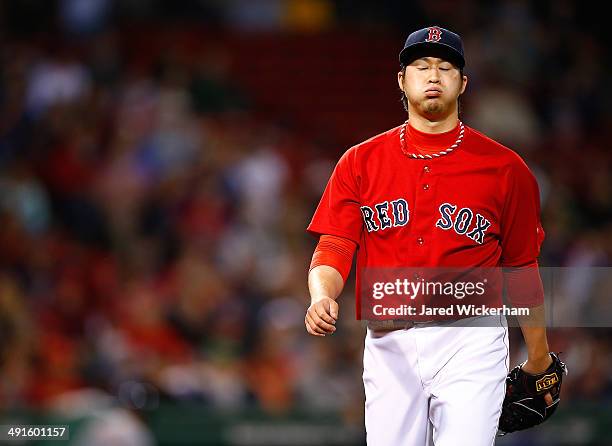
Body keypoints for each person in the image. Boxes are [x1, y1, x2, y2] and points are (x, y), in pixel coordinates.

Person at [305, 26, 555, 445]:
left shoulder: (506, 169)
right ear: (402, 80)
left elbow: (521, 267)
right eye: (421, 66)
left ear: (463, 83)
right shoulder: (360, 161)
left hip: (471, 339)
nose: (434, 75)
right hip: (389, 340)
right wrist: (322, 294)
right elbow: (335, 244)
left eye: (445, 67)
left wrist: (539, 356)